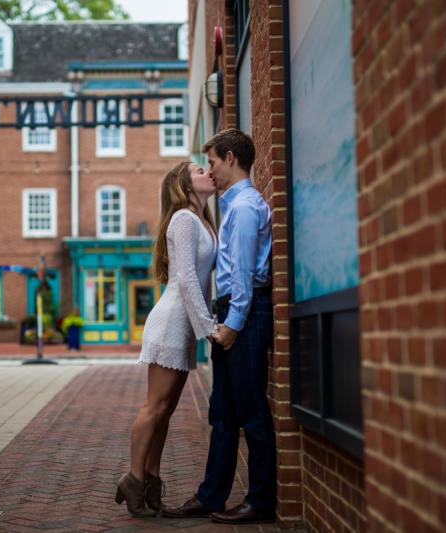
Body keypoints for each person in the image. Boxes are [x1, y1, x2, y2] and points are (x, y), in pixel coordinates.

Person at [162, 129, 275, 524]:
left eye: (210, 162)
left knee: (251, 411)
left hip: (241, 317)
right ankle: (211, 497)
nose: (209, 170)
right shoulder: (233, 206)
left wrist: (231, 325)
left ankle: (261, 501)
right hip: (232, 315)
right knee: (222, 413)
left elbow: (243, 276)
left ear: (229, 158)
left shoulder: (243, 208)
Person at [115, 161, 218, 517]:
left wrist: (203, 324)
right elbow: (188, 280)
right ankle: (133, 478)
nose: (208, 171)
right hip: (174, 320)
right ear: (182, 184)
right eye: (199, 169)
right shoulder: (185, 219)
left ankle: (152, 480)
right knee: (155, 406)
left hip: (186, 323)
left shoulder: (203, 220)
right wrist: (209, 327)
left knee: (167, 411)